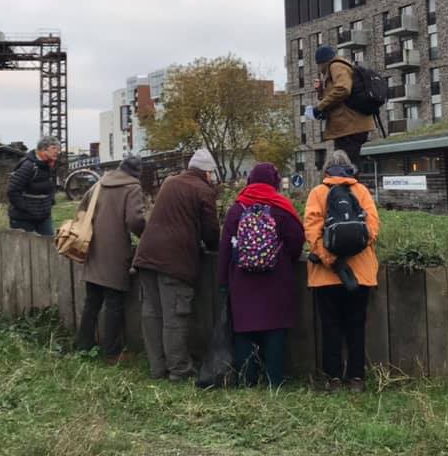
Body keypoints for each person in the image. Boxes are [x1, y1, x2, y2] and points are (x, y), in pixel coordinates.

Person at [132, 148, 220, 381]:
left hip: (147, 255)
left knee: (151, 314)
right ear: (208, 173)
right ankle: (179, 370)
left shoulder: (170, 182)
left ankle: (157, 368)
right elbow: (211, 232)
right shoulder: (203, 190)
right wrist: (213, 247)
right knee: (175, 316)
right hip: (174, 260)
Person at [216, 163, 305, 387]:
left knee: (244, 330)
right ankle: (274, 379)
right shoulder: (281, 207)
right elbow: (297, 240)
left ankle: (247, 378)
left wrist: (223, 281)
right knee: (275, 328)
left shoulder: (237, 208)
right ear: (274, 182)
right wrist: (286, 259)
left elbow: (225, 247)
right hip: (276, 279)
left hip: (242, 281)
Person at [304, 150, 380, 393]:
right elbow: (373, 229)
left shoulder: (318, 193)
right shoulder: (362, 191)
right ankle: (356, 378)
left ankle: (333, 379)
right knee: (356, 326)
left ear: (325, 171)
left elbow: (312, 231)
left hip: (326, 276)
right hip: (361, 273)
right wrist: (356, 249)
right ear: (349, 169)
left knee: (331, 327)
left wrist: (330, 260)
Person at [74, 155, 147, 364]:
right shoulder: (132, 187)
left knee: (92, 302)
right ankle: (112, 353)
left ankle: (84, 345)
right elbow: (135, 220)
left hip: (93, 248)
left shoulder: (99, 183)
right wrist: (146, 235)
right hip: (115, 251)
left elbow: (81, 210)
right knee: (114, 303)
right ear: (136, 173)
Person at [313, 44, 375, 165]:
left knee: (346, 167)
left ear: (322, 62)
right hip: (347, 127)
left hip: (350, 127)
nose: (319, 69)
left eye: (319, 65)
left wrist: (320, 107)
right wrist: (321, 91)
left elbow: (343, 89)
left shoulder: (336, 66)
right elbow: (337, 94)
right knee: (346, 166)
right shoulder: (337, 68)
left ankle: (351, 184)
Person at [7, 135, 60, 236]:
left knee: (49, 245)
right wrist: (26, 209)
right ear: (43, 149)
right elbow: (12, 190)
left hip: (43, 216)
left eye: (58, 149)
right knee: (25, 249)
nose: (57, 151)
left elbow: (49, 186)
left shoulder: (48, 165)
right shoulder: (28, 166)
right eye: (54, 148)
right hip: (23, 218)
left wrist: (50, 201)